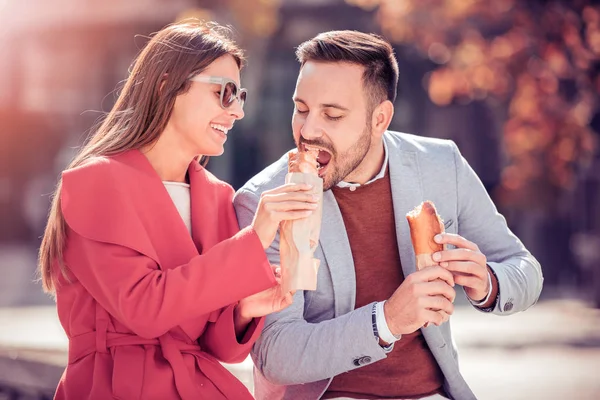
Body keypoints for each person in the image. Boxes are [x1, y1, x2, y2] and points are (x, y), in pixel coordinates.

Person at [233, 30, 544, 400]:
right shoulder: (262, 202)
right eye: (301, 109)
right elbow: (276, 353)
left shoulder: (441, 164)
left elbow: (525, 269)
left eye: (332, 114)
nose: (308, 130)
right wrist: (388, 320)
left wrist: (487, 282)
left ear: (380, 119)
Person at [37, 21, 318, 400]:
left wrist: (244, 311)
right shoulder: (96, 182)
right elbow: (146, 309)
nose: (237, 112)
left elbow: (219, 347)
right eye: (225, 93)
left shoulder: (217, 196)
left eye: (241, 97)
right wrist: (256, 236)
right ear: (167, 85)